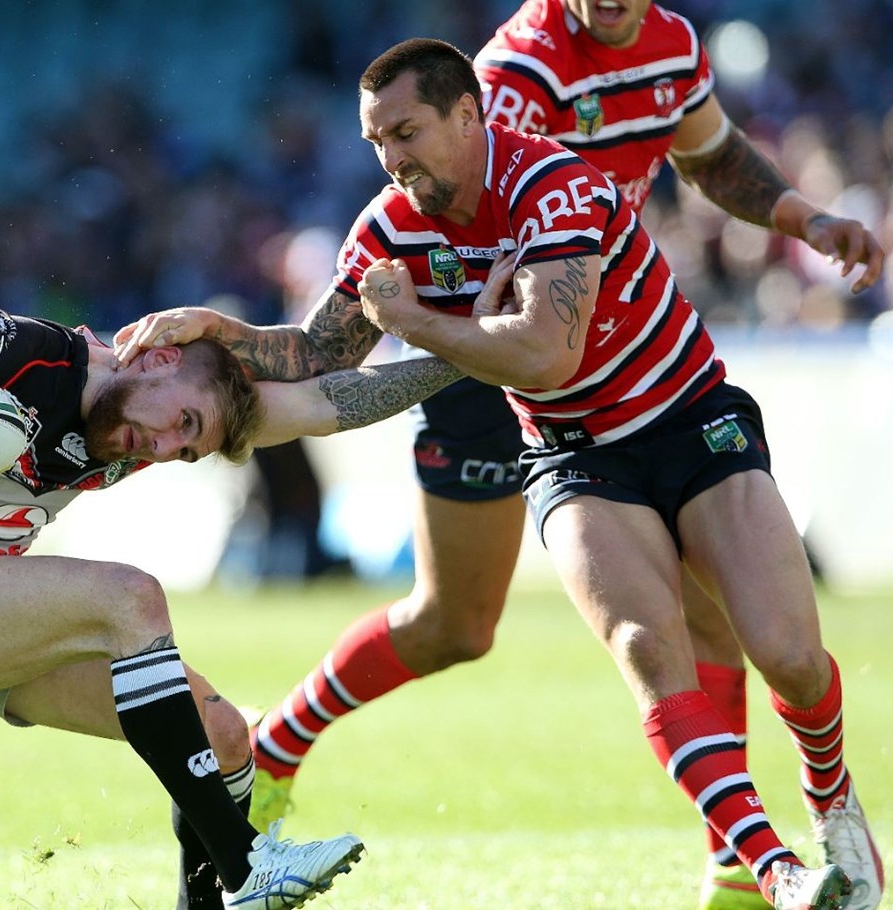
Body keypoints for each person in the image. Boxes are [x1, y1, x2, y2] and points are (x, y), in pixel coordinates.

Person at [116, 7, 886, 909]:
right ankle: (769, 868)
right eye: (376, 143)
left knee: (790, 656)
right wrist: (222, 332)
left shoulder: (557, 176)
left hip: (682, 412)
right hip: (569, 446)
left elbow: (547, 346)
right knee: (631, 641)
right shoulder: (430, 179)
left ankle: (828, 798)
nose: (391, 160)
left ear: (468, 115)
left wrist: (416, 322)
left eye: (406, 134)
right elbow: (317, 355)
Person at [0, 286, 467, 910]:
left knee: (225, 738)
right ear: (158, 359)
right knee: (130, 598)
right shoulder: (15, 352)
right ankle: (247, 865)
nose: (164, 450)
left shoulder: (143, 424)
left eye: (186, 449)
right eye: (181, 423)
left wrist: (475, 356)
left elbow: (325, 404)